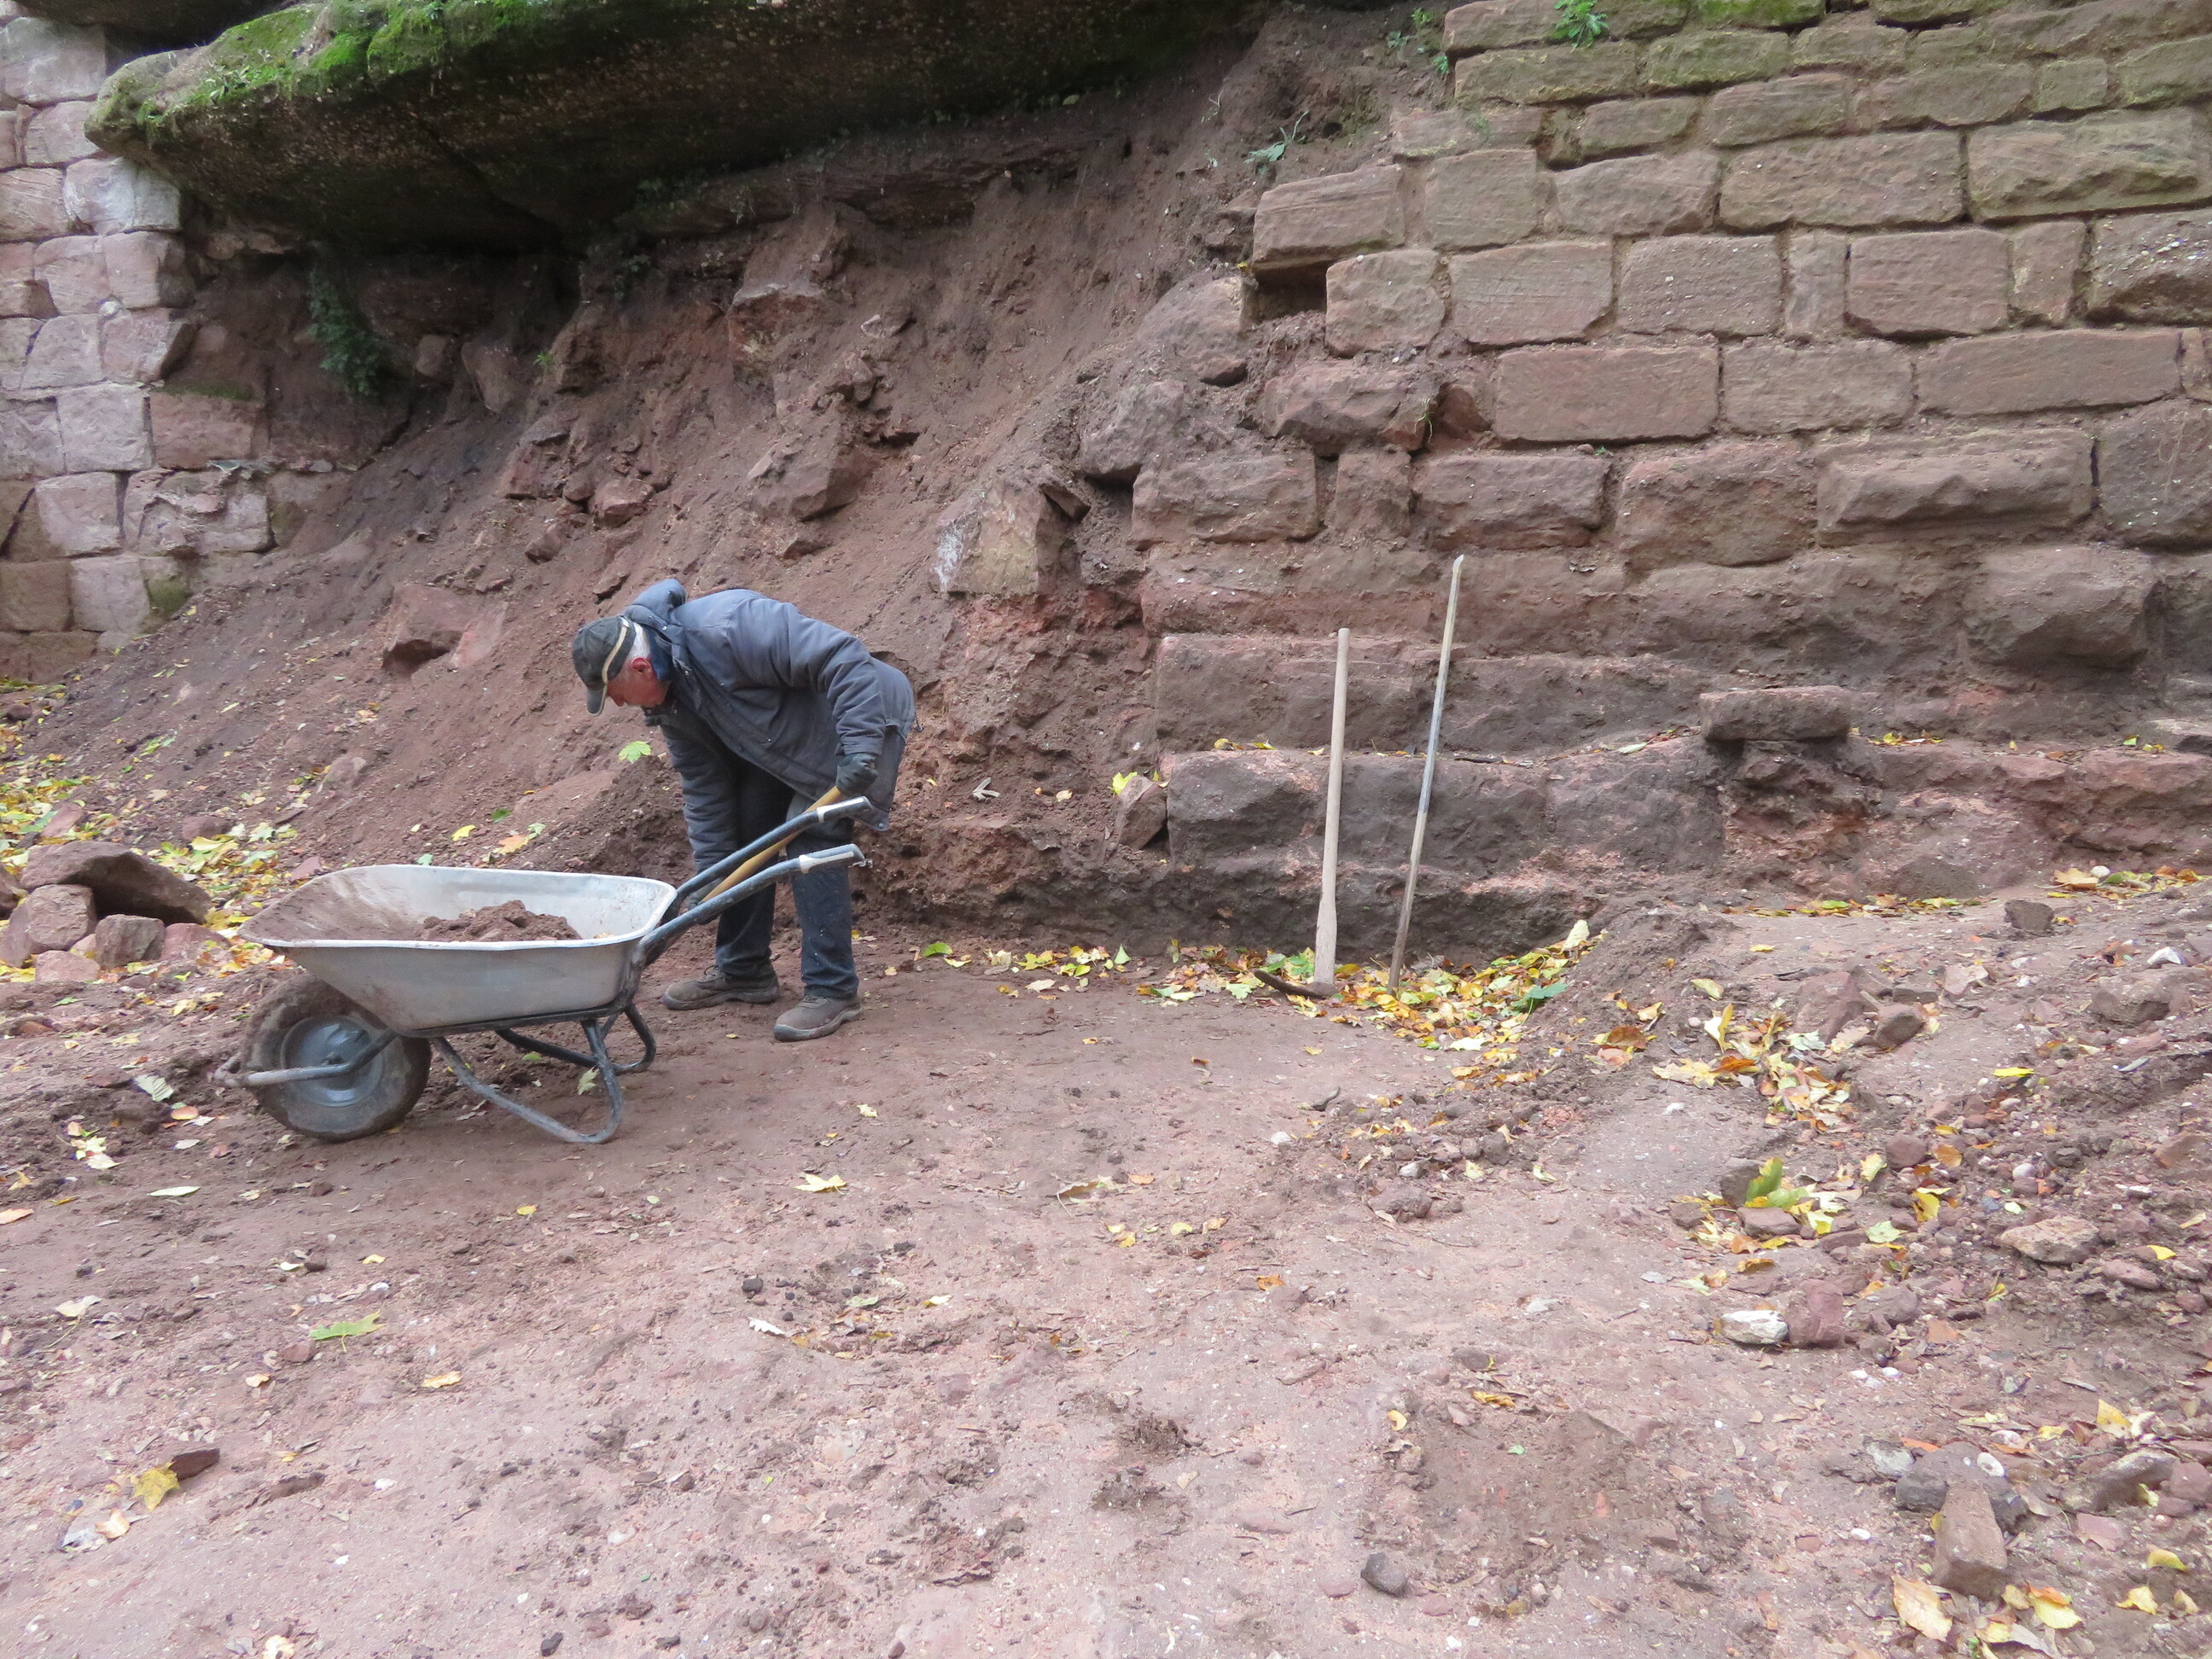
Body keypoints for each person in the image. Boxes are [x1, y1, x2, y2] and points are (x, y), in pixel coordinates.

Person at [571, 579, 913, 1040]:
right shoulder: (671, 702)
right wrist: (714, 876)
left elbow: (842, 657)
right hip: (782, 740)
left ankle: (833, 989)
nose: (618, 703)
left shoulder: (728, 627)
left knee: (814, 837)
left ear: (640, 667)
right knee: (749, 829)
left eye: (616, 692)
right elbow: (705, 790)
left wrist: (861, 747)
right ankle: (743, 970)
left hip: (858, 715)